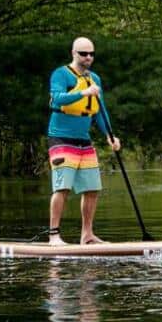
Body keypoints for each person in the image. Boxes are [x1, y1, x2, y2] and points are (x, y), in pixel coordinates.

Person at [46, 37, 121, 246]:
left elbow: (99, 111)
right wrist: (83, 92)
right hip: (60, 138)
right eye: (83, 54)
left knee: (92, 188)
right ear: (73, 53)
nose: (88, 58)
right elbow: (57, 98)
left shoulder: (94, 78)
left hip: (83, 140)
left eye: (91, 54)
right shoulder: (61, 74)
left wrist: (109, 135)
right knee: (63, 188)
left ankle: (87, 235)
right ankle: (54, 236)